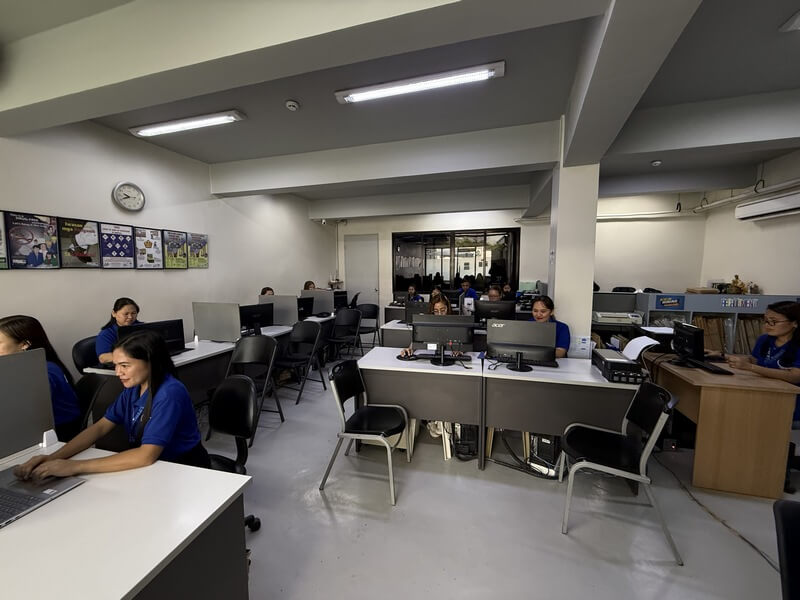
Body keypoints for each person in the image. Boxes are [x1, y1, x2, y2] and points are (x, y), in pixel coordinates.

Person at [14, 330, 210, 481]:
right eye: (116, 365)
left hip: (182, 469)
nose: (118, 373)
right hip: (156, 467)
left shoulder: (169, 393)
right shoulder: (134, 388)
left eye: (125, 365)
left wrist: (74, 466)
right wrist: (54, 457)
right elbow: (100, 427)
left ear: (151, 362)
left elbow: (145, 456)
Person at [0, 315, 82, 442]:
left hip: (58, 433)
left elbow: (25, 411)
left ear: (24, 344)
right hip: (36, 427)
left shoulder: (45, 370)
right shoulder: (19, 367)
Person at [727, 301, 800, 426]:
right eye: (766, 321)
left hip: (789, 406)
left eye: (773, 322)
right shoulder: (764, 339)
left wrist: (750, 367)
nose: (767, 325)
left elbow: (795, 376)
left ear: (795, 323)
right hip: (763, 396)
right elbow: (756, 360)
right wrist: (723, 356)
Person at [96, 297, 140, 364]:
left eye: (133, 313)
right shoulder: (106, 333)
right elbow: (103, 358)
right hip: (119, 365)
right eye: (126, 314)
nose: (130, 317)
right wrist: (132, 356)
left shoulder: (143, 327)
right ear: (114, 313)